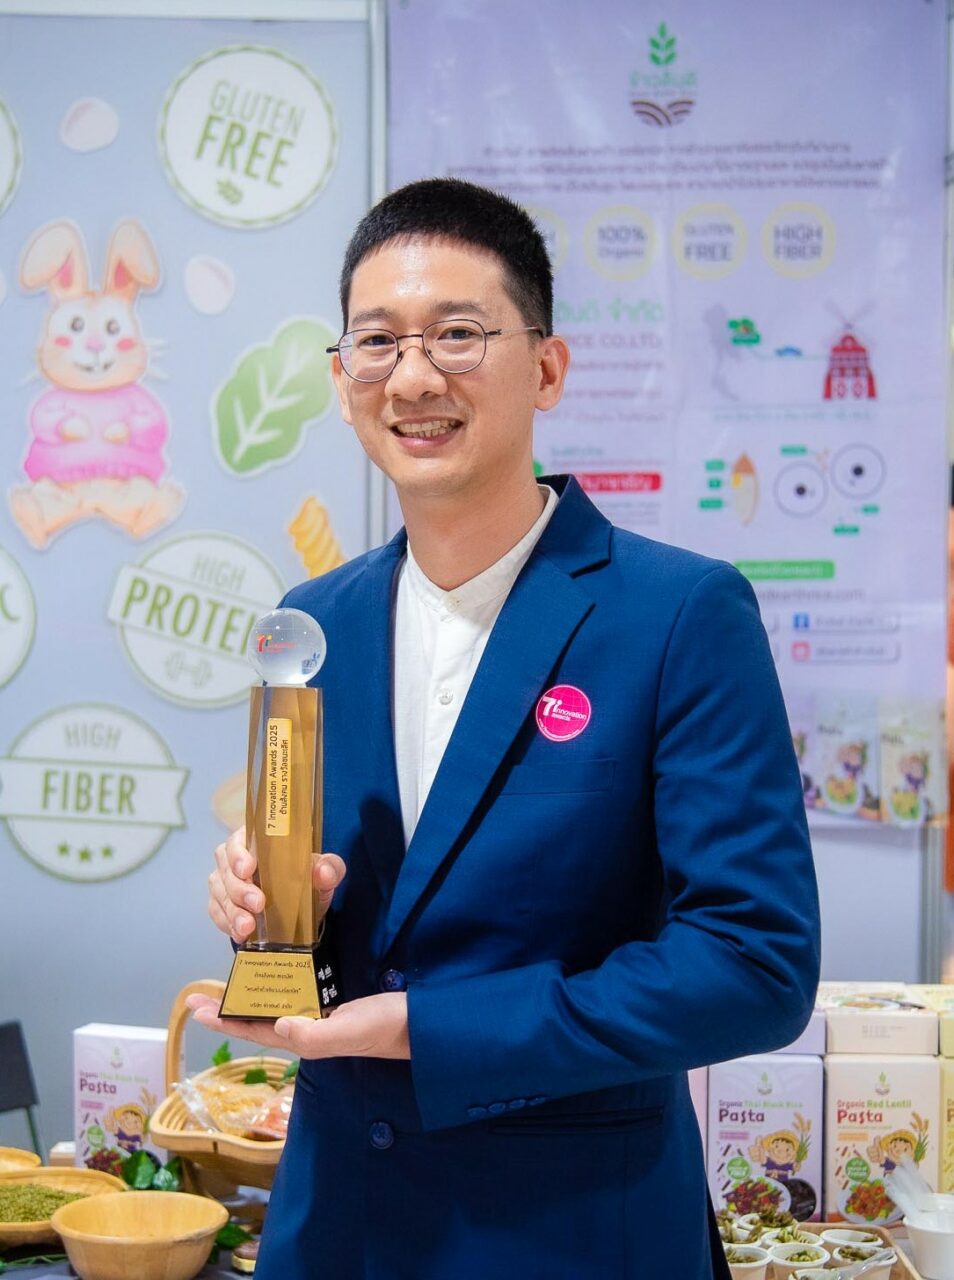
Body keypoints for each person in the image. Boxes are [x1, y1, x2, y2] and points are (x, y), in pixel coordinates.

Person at [192, 177, 820, 1280]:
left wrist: (428, 1028)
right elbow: (355, 933)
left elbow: (752, 964)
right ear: (343, 380)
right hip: (336, 1222)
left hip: (572, 1230)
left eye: (458, 334)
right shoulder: (315, 620)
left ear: (548, 368)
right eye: (377, 342)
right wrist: (271, 916)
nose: (414, 376)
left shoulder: (676, 613)